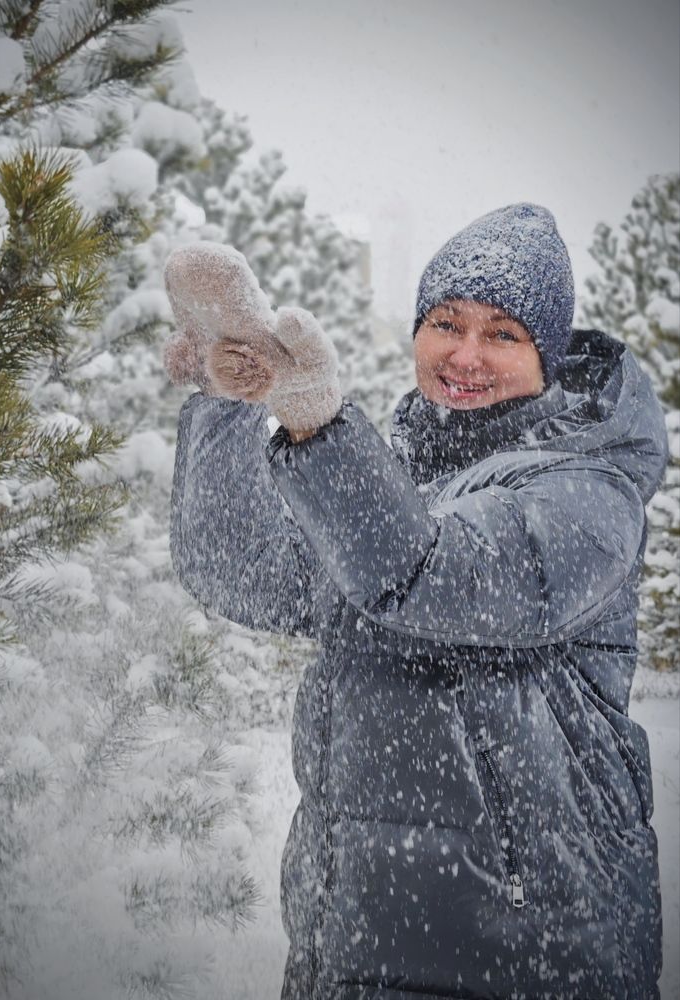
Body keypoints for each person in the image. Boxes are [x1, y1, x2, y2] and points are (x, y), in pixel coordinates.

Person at [167, 204, 668, 1000]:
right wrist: (227, 401)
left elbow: (433, 577)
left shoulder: (588, 490)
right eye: (446, 323)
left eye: (503, 333)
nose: (466, 354)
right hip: (353, 940)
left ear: (549, 354)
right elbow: (243, 570)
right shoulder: (401, 481)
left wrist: (317, 425)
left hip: (529, 953)